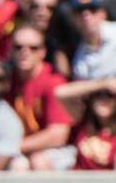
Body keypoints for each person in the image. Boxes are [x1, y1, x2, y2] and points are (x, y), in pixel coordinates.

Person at [8, 23, 74, 170]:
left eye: (33, 48)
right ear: (10, 50)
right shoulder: (4, 79)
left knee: (39, 160)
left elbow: (58, 135)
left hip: (59, 150)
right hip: (23, 149)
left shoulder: (53, 81)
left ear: (43, 52)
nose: (25, 52)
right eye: (18, 47)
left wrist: (11, 146)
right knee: (18, 164)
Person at [66, 83, 116, 170]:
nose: (104, 100)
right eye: (98, 95)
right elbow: (61, 93)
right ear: (91, 100)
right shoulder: (84, 122)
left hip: (104, 182)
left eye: (109, 96)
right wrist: (101, 84)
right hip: (78, 180)